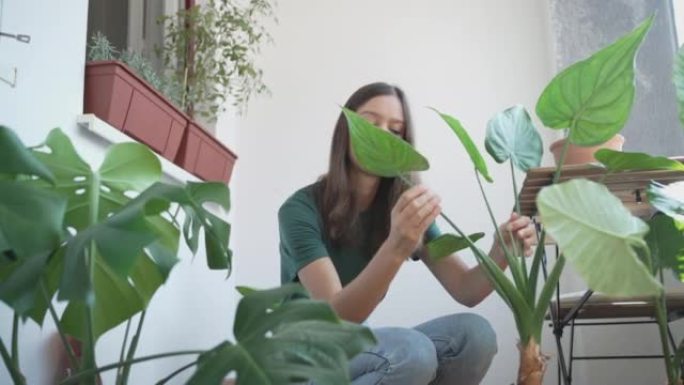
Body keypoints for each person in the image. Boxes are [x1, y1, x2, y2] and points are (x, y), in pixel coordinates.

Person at [278, 82, 535, 385]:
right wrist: (396, 247)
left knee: (474, 335)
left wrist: (500, 251)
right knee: (412, 352)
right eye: (370, 124)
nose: (383, 135)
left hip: (355, 357)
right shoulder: (300, 209)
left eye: (395, 130)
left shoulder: (401, 206)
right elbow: (337, 319)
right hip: (303, 365)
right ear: (345, 131)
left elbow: (466, 289)